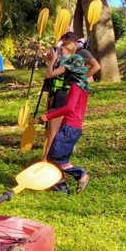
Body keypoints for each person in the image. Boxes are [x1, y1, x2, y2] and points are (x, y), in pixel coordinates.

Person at [37, 40, 90, 194]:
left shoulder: (75, 86)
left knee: (55, 157)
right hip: (73, 126)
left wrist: (48, 116)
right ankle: (61, 186)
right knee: (57, 157)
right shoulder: (83, 84)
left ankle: (81, 175)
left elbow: (69, 107)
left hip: (70, 126)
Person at [37, 31, 100, 157]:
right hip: (59, 93)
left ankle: (48, 160)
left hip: (63, 95)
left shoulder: (72, 61)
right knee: (54, 131)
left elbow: (50, 73)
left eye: (61, 48)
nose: (59, 50)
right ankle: (56, 157)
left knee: (54, 131)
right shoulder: (67, 61)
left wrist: (82, 78)